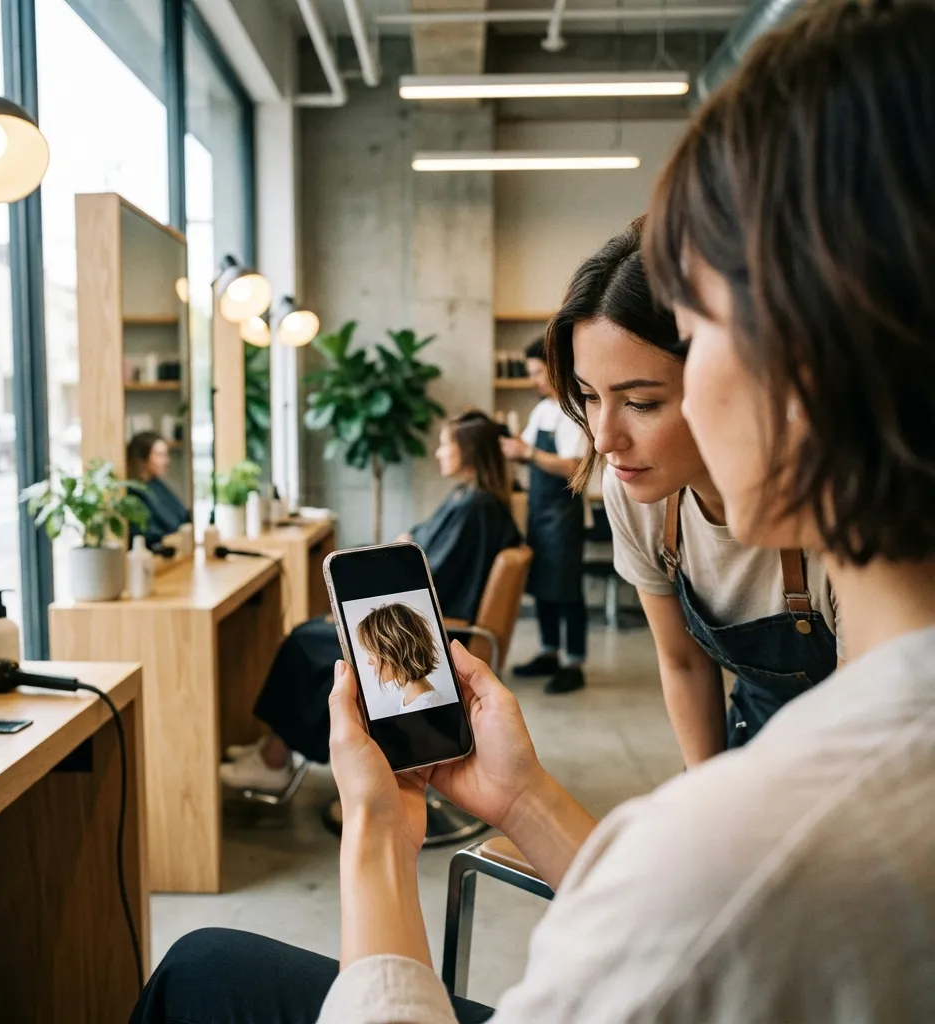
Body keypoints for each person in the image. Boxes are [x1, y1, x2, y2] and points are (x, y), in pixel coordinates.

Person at [131, 3, 935, 1020]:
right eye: (591, 402)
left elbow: (707, 901)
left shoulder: (750, 859)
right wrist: (521, 799)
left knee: (198, 973)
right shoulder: (754, 835)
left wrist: (374, 836)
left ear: (810, 352)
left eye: (699, 330)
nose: (611, 434)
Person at [546, 218, 840, 762]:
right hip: (753, 733)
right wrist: (701, 791)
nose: (605, 438)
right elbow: (683, 663)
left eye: (641, 403)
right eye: (588, 396)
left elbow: (874, 737)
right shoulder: (638, 497)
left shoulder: (840, 517)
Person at [221, 409, 521, 792]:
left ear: (470, 451)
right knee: (310, 634)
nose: (439, 453)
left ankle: (274, 761)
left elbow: (432, 579)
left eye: (446, 445)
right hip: (432, 621)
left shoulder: (476, 507)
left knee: (305, 642)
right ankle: (272, 750)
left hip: (435, 629)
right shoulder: (473, 499)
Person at [501, 338, 589, 694]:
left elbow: (573, 466)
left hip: (564, 516)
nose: (534, 380)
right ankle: (549, 652)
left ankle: (575, 662)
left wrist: (528, 453)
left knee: (566, 590)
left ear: (555, 366)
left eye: (538, 372)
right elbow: (522, 450)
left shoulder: (574, 411)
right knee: (543, 588)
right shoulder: (541, 411)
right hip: (539, 512)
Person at [358, 603, 443, 713]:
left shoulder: (426, 706)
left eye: (372, 652)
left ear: (394, 651)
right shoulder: (414, 699)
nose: (369, 661)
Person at [125, 431, 190, 548]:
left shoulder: (157, 485)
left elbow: (182, 516)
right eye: (160, 455)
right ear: (142, 458)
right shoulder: (133, 493)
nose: (166, 461)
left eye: (166, 455)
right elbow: (148, 535)